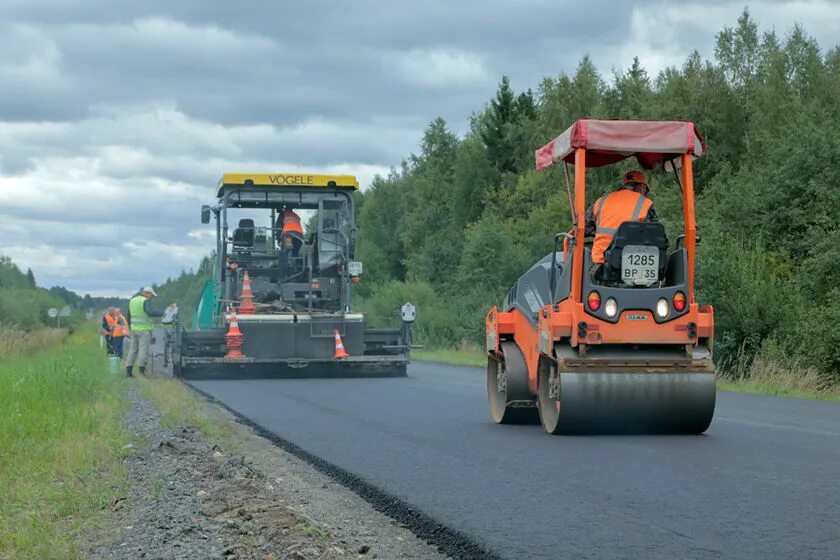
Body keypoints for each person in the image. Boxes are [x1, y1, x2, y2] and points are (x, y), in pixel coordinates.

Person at [584, 169, 660, 267]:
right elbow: (655, 233)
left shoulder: (601, 201)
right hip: (634, 262)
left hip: (601, 261)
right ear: (642, 187)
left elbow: (583, 228)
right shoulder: (645, 204)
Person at [125, 287, 164, 377]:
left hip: (134, 329)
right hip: (143, 330)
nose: (152, 297)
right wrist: (163, 313)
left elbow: (128, 315)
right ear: (147, 293)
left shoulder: (132, 300)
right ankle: (142, 372)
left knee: (132, 350)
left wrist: (130, 327)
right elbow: (150, 312)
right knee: (143, 350)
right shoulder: (145, 301)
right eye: (152, 295)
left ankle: (128, 372)